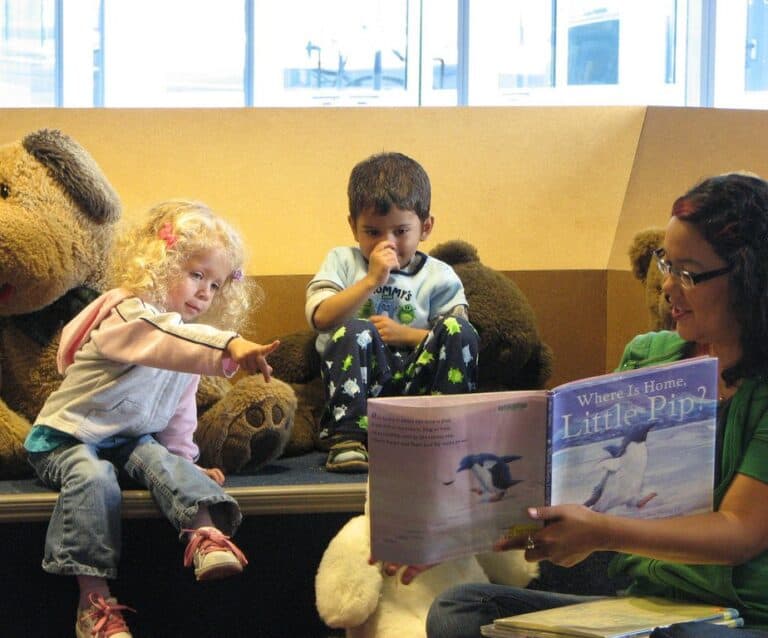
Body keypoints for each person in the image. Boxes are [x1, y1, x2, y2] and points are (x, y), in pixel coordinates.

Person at [420, 172, 768, 637]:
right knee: (461, 610)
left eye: (688, 273)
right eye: (667, 264)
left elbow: (740, 533)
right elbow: (575, 495)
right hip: (646, 607)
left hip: (739, 619)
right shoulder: (649, 357)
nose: (668, 288)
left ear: (749, 278)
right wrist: (444, 533)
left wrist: (603, 532)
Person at [24, 200, 280, 638]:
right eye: (196, 275)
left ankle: (204, 535)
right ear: (160, 264)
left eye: (216, 285)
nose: (205, 292)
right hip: (66, 439)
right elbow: (162, 338)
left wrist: (185, 460)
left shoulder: (184, 339)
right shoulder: (127, 313)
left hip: (127, 439)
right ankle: (93, 602)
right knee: (93, 476)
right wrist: (229, 344)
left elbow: (178, 413)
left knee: (161, 459)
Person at [306, 151, 479, 473]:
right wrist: (371, 280)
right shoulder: (342, 261)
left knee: (460, 330)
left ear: (425, 227)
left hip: (419, 385)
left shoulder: (439, 275)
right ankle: (348, 440)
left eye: (400, 231)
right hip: (360, 386)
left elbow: (457, 337)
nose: (387, 243)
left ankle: (450, 434)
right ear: (353, 227)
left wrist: (408, 335)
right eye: (372, 232)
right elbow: (321, 319)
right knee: (355, 328)